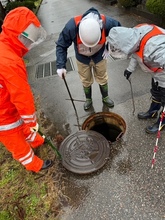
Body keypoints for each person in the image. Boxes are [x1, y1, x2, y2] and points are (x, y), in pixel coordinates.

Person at [0, 7, 52, 172]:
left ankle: (34, 139)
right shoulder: (10, 61)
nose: (29, 45)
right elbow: (22, 97)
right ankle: (34, 164)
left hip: (5, 102)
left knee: (21, 122)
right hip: (2, 115)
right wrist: (32, 122)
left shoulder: (5, 47)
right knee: (14, 138)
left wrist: (30, 125)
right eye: (28, 40)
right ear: (20, 37)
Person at [56, 7, 121, 110]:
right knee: (85, 79)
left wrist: (110, 46)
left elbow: (119, 31)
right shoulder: (72, 26)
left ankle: (105, 97)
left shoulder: (106, 23)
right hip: (82, 59)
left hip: (100, 56)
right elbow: (61, 45)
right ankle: (88, 99)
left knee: (102, 77)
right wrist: (60, 65)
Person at [108, 23, 165, 134]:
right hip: (156, 73)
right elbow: (136, 52)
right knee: (155, 93)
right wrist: (130, 69)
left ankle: (162, 122)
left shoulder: (154, 48)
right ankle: (153, 112)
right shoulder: (134, 35)